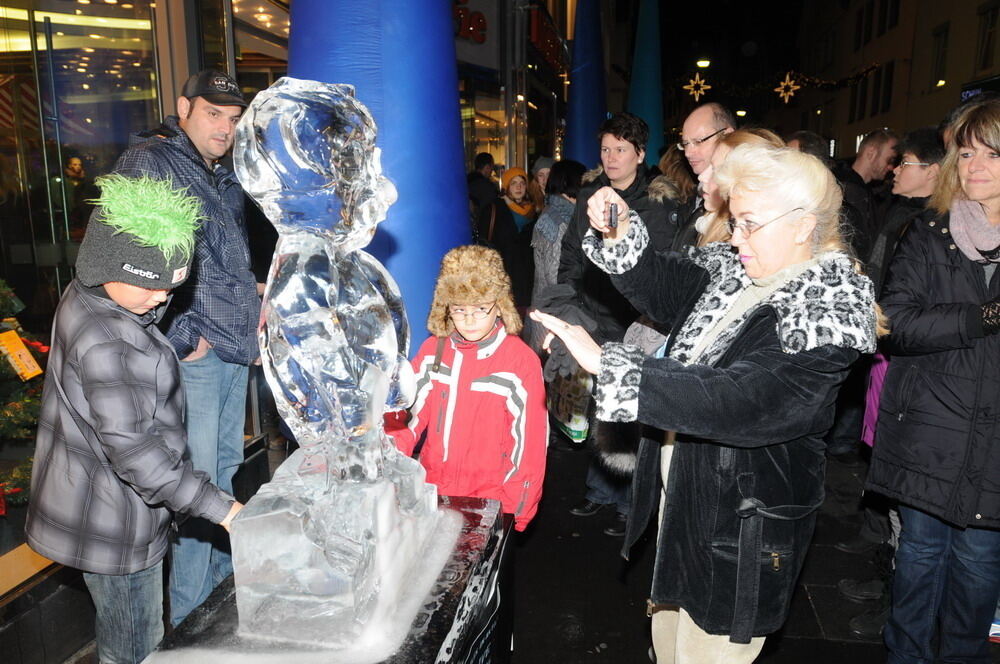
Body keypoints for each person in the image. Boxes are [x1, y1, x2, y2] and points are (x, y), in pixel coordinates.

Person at [532, 143, 881, 661]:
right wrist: (620, 231)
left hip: (743, 522)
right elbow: (664, 286)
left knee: (708, 649)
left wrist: (609, 363)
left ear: (804, 224)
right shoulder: (741, 270)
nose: (735, 237)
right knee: (668, 642)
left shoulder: (826, 312)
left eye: (749, 224)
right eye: (734, 221)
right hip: (690, 500)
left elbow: (740, 402)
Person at [25, 175, 242, 664]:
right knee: (135, 646)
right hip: (116, 527)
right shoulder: (109, 342)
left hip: (95, 502)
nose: (161, 298)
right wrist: (226, 511)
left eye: (171, 286)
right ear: (107, 264)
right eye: (149, 284)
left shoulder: (87, 295)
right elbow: (141, 457)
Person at [105, 68, 257, 625]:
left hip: (230, 345)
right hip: (198, 350)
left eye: (234, 119)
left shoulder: (220, 172)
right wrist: (181, 336)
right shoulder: (153, 160)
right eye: (213, 114)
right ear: (183, 107)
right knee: (199, 483)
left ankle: (214, 598)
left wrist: (251, 292)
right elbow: (124, 262)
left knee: (225, 466)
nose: (224, 128)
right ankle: (192, 619)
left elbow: (216, 259)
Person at [866, 96, 1000, 664]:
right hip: (929, 428)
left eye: (992, 154)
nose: (974, 167)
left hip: (995, 442)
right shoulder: (929, 230)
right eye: (966, 153)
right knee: (920, 556)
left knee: (979, 568)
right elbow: (896, 322)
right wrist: (984, 317)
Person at [836, 126, 944, 640]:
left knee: (907, 482)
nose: (897, 170)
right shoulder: (903, 215)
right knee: (883, 460)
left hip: (908, 364)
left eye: (910, 162)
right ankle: (886, 561)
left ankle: (899, 597)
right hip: (884, 351)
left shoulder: (935, 227)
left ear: (934, 172)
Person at [557, 111, 679, 538]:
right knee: (597, 407)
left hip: (639, 323)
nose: (611, 157)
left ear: (640, 154)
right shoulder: (591, 194)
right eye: (605, 149)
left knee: (634, 413)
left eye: (620, 149)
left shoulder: (660, 203)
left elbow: (663, 269)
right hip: (595, 315)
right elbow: (571, 252)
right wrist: (569, 302)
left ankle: (633, 502)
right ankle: (600, 490)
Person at [385, 245, 547, 532]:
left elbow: (528, 445)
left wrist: (515, 511)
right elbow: (408, 417)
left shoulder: (521, 362)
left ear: (499, 306)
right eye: (459, 309)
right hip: (434, 491)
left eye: (480, 309)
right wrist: (386, 464)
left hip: (491, 499)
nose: (469, 320)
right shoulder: (435, 350)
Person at [526, 159, 585, 354]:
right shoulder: (559, 220)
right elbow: (556, 275)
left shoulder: (554, 213)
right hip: (555, 315)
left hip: (548, 310)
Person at [694, 128, 784, 245]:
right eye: (709, 166)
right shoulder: (706, 224)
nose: (702, 177)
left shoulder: (738, 247)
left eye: (717, 171)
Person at [671, 102, 736, 250]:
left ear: (727, 135)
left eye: (698, 141)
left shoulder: (739, 208)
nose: (688, 152)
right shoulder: (693, 198)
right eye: (685, 144)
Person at [476, 166, 536, 308]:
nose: (518, 187)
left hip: (526, 278)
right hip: (502, 274)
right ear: (507, 186)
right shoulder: (494, 208)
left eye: (522, 183)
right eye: (513, 183)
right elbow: (484, 241)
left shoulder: (533, 211)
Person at [468, 151, 497, 224]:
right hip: (481, 226)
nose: (492, 171)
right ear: (487, 167)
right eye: (491, 167)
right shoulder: (486, 186)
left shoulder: (467, 182)